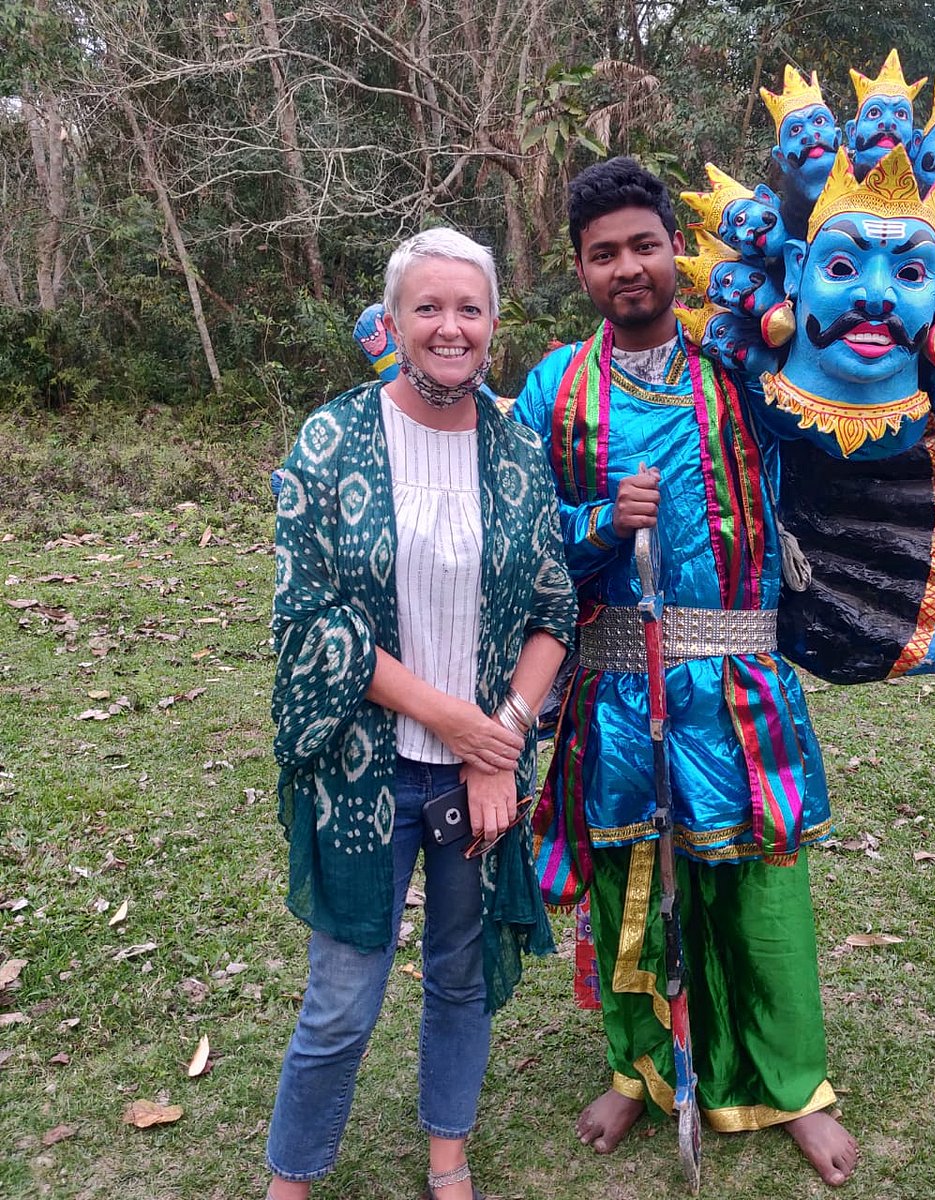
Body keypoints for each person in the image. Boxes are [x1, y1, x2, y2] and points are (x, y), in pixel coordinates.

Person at [511, 158, 859, 1187]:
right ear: (579, 270)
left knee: (759, 889)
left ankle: (794, 1086)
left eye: (644, 245)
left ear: (677, 252)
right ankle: (638, 1071)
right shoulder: (554, 389)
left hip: (737, 680)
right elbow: (523, 542)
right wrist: (595, 523)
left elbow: (847, 429)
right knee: (624, 879)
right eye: (603, 253)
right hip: (615, 684)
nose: (628, 268)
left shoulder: (745, 371)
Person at [266, 227, 577, 1200]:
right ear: (393, 320)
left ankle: (449, 1157)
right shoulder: (332, 439)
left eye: (470, 309)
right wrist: (458, 725)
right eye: (429, 308)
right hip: (368, 767)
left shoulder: (519, 453)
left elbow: (554, 612)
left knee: (461, 974)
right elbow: (311, 620)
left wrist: (502, 741)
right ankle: (293, 1176)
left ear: (493, 325)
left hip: (482, 770)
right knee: (343, 997)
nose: (451, 327)